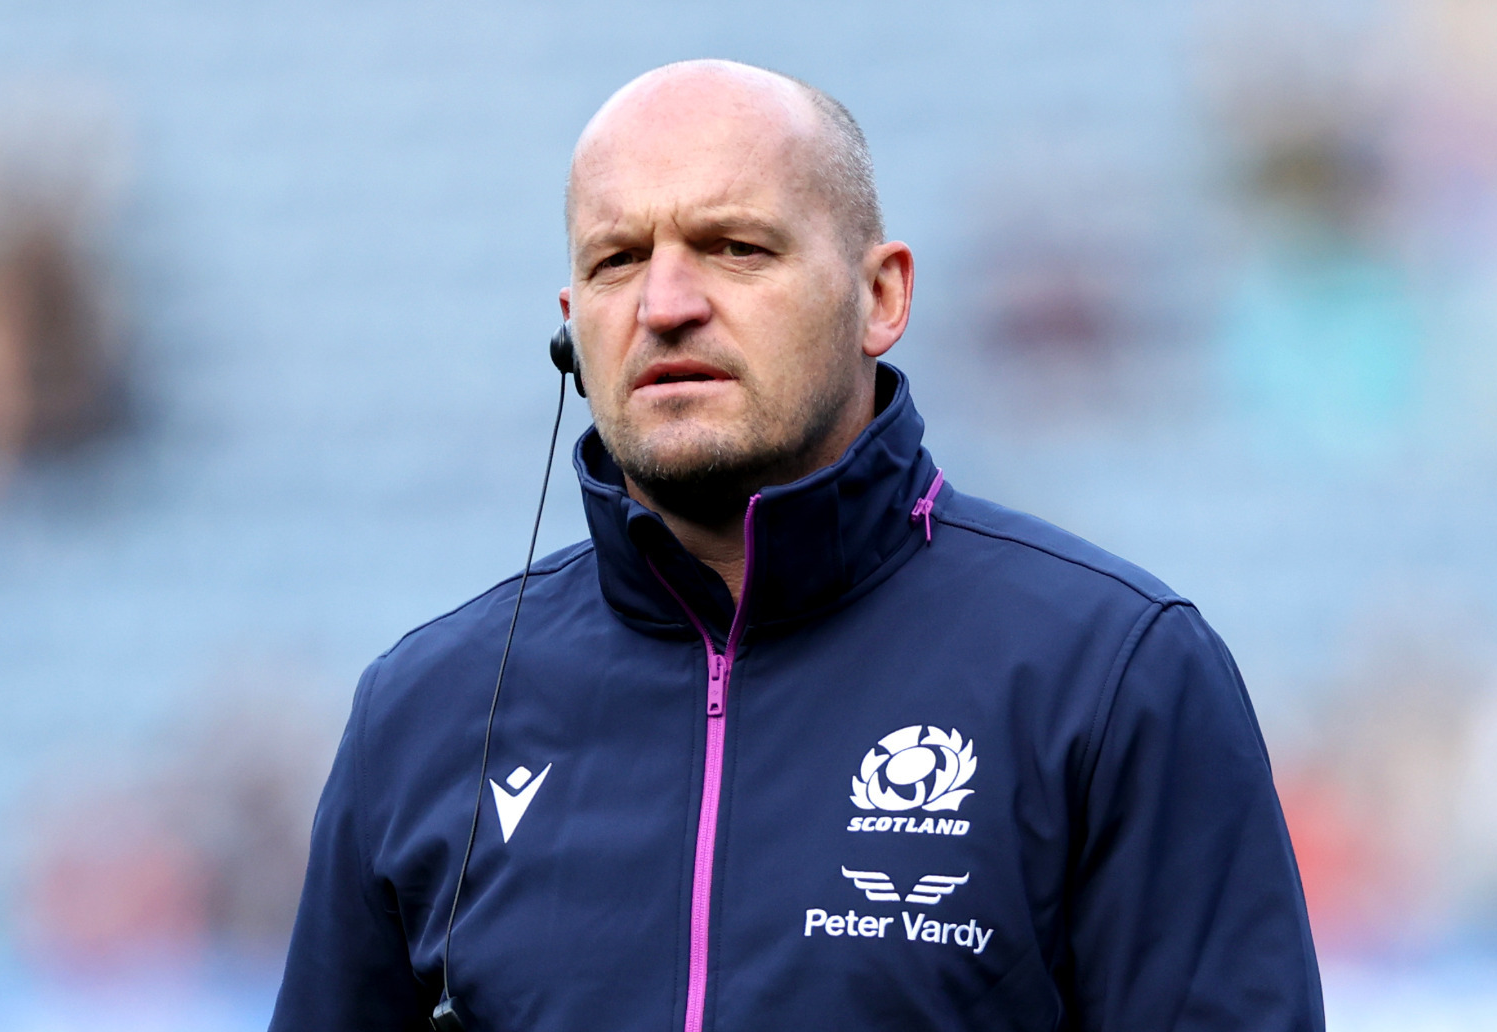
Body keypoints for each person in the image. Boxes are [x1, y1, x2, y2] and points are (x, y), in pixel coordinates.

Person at [271, 60, 1324, 1031]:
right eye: (617, 261)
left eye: (737, 248)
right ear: (571, 329)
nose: (666, 305)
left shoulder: (1113, 675)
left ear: (882, 296)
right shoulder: (424, 712)